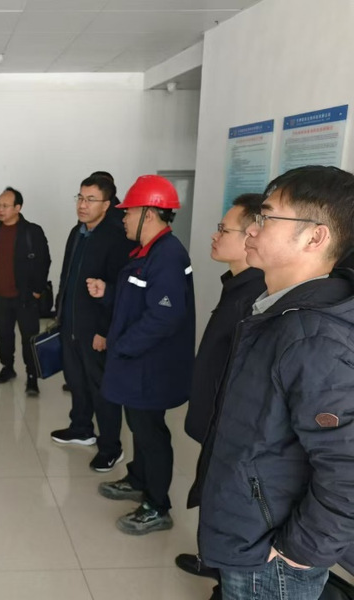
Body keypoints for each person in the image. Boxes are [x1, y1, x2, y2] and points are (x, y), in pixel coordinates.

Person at [192, 165, 354, 599]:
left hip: (272, 555)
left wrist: (299, 550)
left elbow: (347, 467)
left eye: (266, 217)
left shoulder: (313, 335)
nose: (252, 228)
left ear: (315, 237)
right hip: (250, 531)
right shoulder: (276, 310)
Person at [87, 175, 195, 535]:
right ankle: (138, 479)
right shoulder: (147, 252)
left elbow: (164, 315)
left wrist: (122, 345)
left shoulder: (168, 256)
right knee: (139, 426)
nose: (124, 218)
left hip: (151, 368)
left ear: (149, 213)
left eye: (129, 212)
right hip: (139, 364)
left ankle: (157, 505)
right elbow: (137, 298)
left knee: (151, 433)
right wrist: (108, 292)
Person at [173, 194, 266, 596]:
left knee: (224, 500)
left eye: (223, 230)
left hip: (229, 427)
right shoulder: (237, 286)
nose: (214, 236)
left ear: (251, 236)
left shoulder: (255, 296)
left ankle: (223, 577)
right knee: (212, 493)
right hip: (214, 421)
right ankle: (213, 561)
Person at [50, 175, 135, 472]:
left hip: (96, 328)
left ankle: (111, 447)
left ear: (107, 204)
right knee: (76, 380)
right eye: (80, 198)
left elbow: (118, 290)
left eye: (90, 200)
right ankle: (81, 428)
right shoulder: (78, 231)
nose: (82, 205)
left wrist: (104, 331)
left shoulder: (116, 237)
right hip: (71, 322)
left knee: (102, 388)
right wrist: (60, 312)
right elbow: (67, 275)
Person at [0, 187, 51, 396]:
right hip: (1, 295)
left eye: (5, 206)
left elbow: (44, 261)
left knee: (29, 338)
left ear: (18, 208)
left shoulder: (32, 231)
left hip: (25, 296)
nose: (0, 210)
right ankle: (7, 367)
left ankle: (32, 376)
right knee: (3, 334)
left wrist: (37, 290)